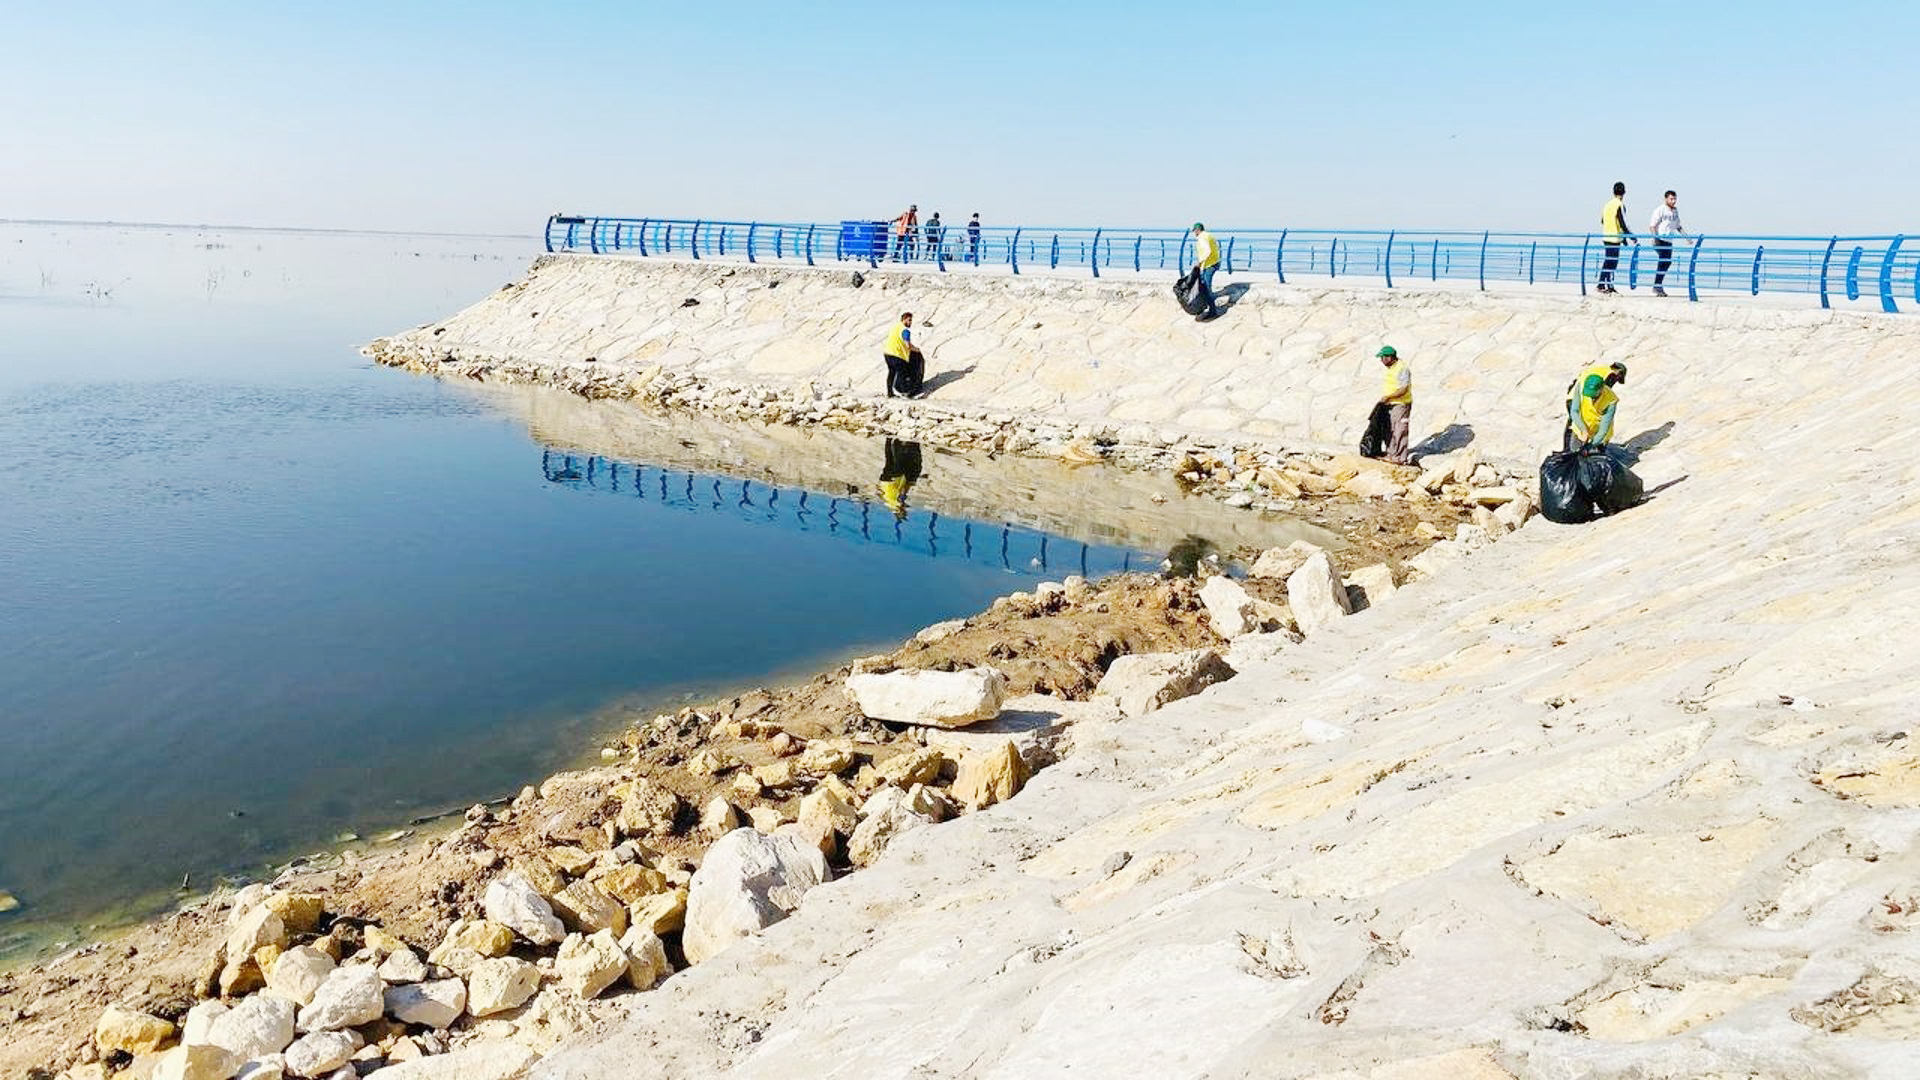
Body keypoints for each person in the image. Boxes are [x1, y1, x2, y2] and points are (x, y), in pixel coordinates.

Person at [1565, 361, 1628, 450]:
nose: (1616, 381)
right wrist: (1584, 431)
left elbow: (1604, 427)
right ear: (1619, 372)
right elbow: (1601, 394)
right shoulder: (1609, 375)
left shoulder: (1598, 369)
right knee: (1575, 424)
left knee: (1574, 425)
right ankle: (1571, 448)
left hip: (1574, 396)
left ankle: (1569, 448)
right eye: (1618, 379)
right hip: (1580, 397)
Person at [1367, 345, 1414, 465]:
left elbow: (1403, 389)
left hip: (1400, 404)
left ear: (1389, 357)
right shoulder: (1391, 368)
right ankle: (1391, 454)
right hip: (1390, 404)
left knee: (1399, 430)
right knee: (1390, 430)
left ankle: (1399, 457)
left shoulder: (1402, 369)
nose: (1381, 360)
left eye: (1382, 358)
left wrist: (1389, 397)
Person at [1596, 182, 1634, 294]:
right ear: (1624, 192)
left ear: (1613, 192)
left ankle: (1605, 285)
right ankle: (1603, 285)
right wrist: (1631, 237)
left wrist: (1624, 238)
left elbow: (1602, 220)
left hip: (1606, 236)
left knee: (1608, 261)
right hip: (1615, 238)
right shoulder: (1619, 205)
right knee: (1612, 262)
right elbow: (1623, 223)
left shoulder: (1607, 205)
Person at [1648, 190, 1685, 297]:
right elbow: (1652, 226)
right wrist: (1655, 238)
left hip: (1669, 240)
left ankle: (1657, 285)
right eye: (1671, 199)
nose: (1673, 201)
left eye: (1675, 199)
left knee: (1667, 262)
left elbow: (1678, 226)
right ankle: (1657, 286)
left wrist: (1686, 237)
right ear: (1666, 199)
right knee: (1663, 261)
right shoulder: (1660, 210)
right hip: (1660, 239)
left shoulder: (1675, 211)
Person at [878, 437, 923, 520]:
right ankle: (888, 440)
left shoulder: (897, 504)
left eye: (904, 512)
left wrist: (907, 489)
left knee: (898, 462)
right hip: (884, 482)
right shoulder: (889, 505)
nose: (905, 510)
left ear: (900, 511)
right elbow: (881, 495)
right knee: (889, 460)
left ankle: (898, 443)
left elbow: (902, 494)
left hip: (892, 480)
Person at [882, 311, 925, 397]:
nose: (910, 322)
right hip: (897, 355)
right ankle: (906, 392)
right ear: (904, 319)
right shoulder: (905, 331)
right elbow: (907, 345)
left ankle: (890, 393)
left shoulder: (895, 327)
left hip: (887, 353)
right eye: (909, 320)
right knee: (903, 373)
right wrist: (916, 349)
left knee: (891, 373)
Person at [1190, 222, 1222, 320]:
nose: (1194, 233)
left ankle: (1213, 312)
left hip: (1209, 265)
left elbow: (1207, 251)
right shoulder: (1209, 235)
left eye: (1195, 231)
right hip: (1214, 262)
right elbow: (1216, 247)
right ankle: (1207, 308)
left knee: (1206, 289)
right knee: (1204, 286)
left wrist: (1199, 262)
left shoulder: (1202, 238)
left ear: (1197, 230)